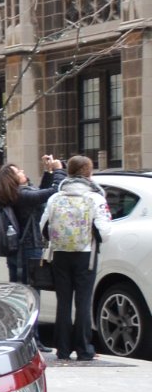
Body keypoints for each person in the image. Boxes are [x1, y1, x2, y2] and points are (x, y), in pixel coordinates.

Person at [41, 154, 111, 361]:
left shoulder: (56, 198)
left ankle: (62, 349)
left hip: (60, 254)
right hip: (85, 255)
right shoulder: (95, 198)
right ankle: (83, 348)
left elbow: (43, 227)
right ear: (89, 173)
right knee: (83, 301)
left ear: (69, 171)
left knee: (63, 302)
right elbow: (104, 231)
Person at [0, 158, 63, 285]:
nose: (22, 171)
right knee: (30, 293)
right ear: (12, 179)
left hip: (16, 250)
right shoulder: (22, 196)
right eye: (18, 171)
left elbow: (40, 195)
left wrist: (48, 172)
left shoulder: (13, 196)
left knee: (18, 291)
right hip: (28, 250)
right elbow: (54, 191)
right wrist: (58, 170)